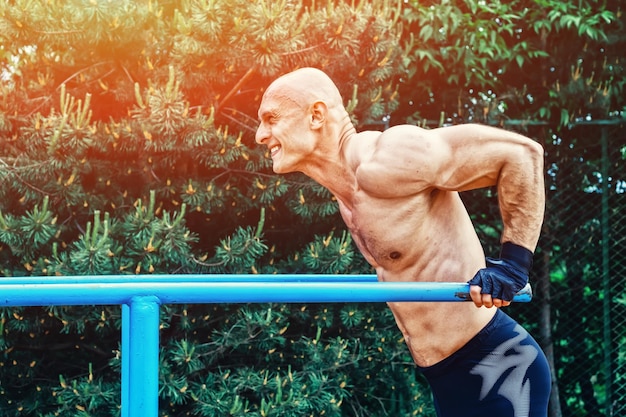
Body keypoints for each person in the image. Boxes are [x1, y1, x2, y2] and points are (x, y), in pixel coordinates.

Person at [255, 67, 551, 417]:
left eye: (271, 119)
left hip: (498, 369)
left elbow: (521, 154)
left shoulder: (391, 156)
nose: (261, 135)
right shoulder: (347, 192)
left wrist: (513, 266)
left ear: (316, 115)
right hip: (446, 376)